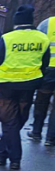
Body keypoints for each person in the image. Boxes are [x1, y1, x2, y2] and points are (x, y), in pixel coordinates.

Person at [0, 5, 51, 169]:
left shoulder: (8, 38)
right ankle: (1, 155)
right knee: (17, 120)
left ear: (16, 22)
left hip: (7, 86)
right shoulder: (42, 39)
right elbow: (45, 63)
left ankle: (14, 158)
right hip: (29, 86)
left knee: (9, 122)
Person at [28, 16, 55, 145]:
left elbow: (35, 44)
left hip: (47, 69)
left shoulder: (47, 23)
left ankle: (36, 131)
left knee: (41, 101)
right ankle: (51, 138)